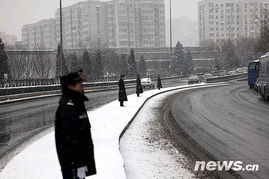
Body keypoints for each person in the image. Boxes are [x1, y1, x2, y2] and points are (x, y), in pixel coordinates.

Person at [55, 72, 96, 179]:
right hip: (74, 163)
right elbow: (70, 139)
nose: (82, 88)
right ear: (70, 86)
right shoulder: (68, 107)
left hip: (79, 162)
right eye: (80, 85)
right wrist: (77, 165)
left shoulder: (76, 102)